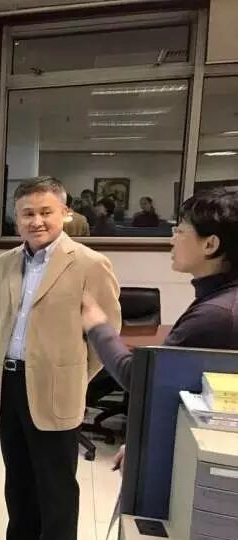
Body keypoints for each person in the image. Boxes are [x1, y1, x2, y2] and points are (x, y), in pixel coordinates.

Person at [0, 176, 121, 540]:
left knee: (55, 481)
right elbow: (2, 318)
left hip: (58, 387)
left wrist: (72, 375)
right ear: (16, 218)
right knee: (18, 474)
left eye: (45, 212)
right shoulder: (4, 264)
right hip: (11, 379)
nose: (36, 221)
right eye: (27, 213)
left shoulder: (89, 263)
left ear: (65, 213)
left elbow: (105, 336)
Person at [82, 188, 238, 469]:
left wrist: (97, 324)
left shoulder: (217, 315)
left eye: (180, 231)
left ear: (210, 244)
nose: (171, 239)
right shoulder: (220, 300)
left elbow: (139, 376)